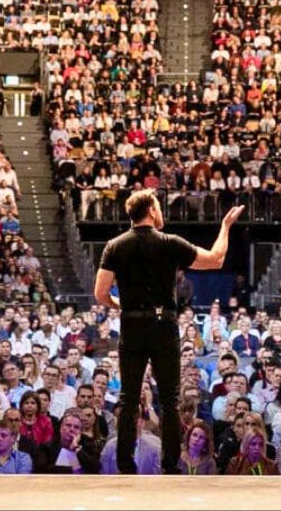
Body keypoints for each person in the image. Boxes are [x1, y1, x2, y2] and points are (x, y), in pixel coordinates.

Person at [93, 189, 242, 476]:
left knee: (128, 397)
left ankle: (126, 465)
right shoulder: (170, 243)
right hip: (163, 327)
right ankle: (171, 465)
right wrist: (225, 227)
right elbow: (216, 260)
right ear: (150, 210)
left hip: (132, 326)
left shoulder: (114, 245)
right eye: (159, 207)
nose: (161, 212)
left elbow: (100, 293)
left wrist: (120, 304)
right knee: (171, 399)